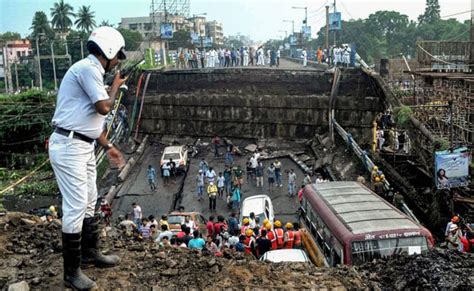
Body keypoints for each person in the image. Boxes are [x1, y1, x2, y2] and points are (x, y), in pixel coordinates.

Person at [48, 26, 126, 289]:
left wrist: (109, 146)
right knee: (76, 204)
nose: (117, 62)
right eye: (118, 56)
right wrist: (114, 88)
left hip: (82, 144)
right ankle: (71, 273)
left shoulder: (90, 71)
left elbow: (88, 122)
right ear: (109, 51)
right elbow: (103, 107)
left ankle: (90, 253)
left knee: (91, 199)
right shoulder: (88, 69)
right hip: (69, 146)